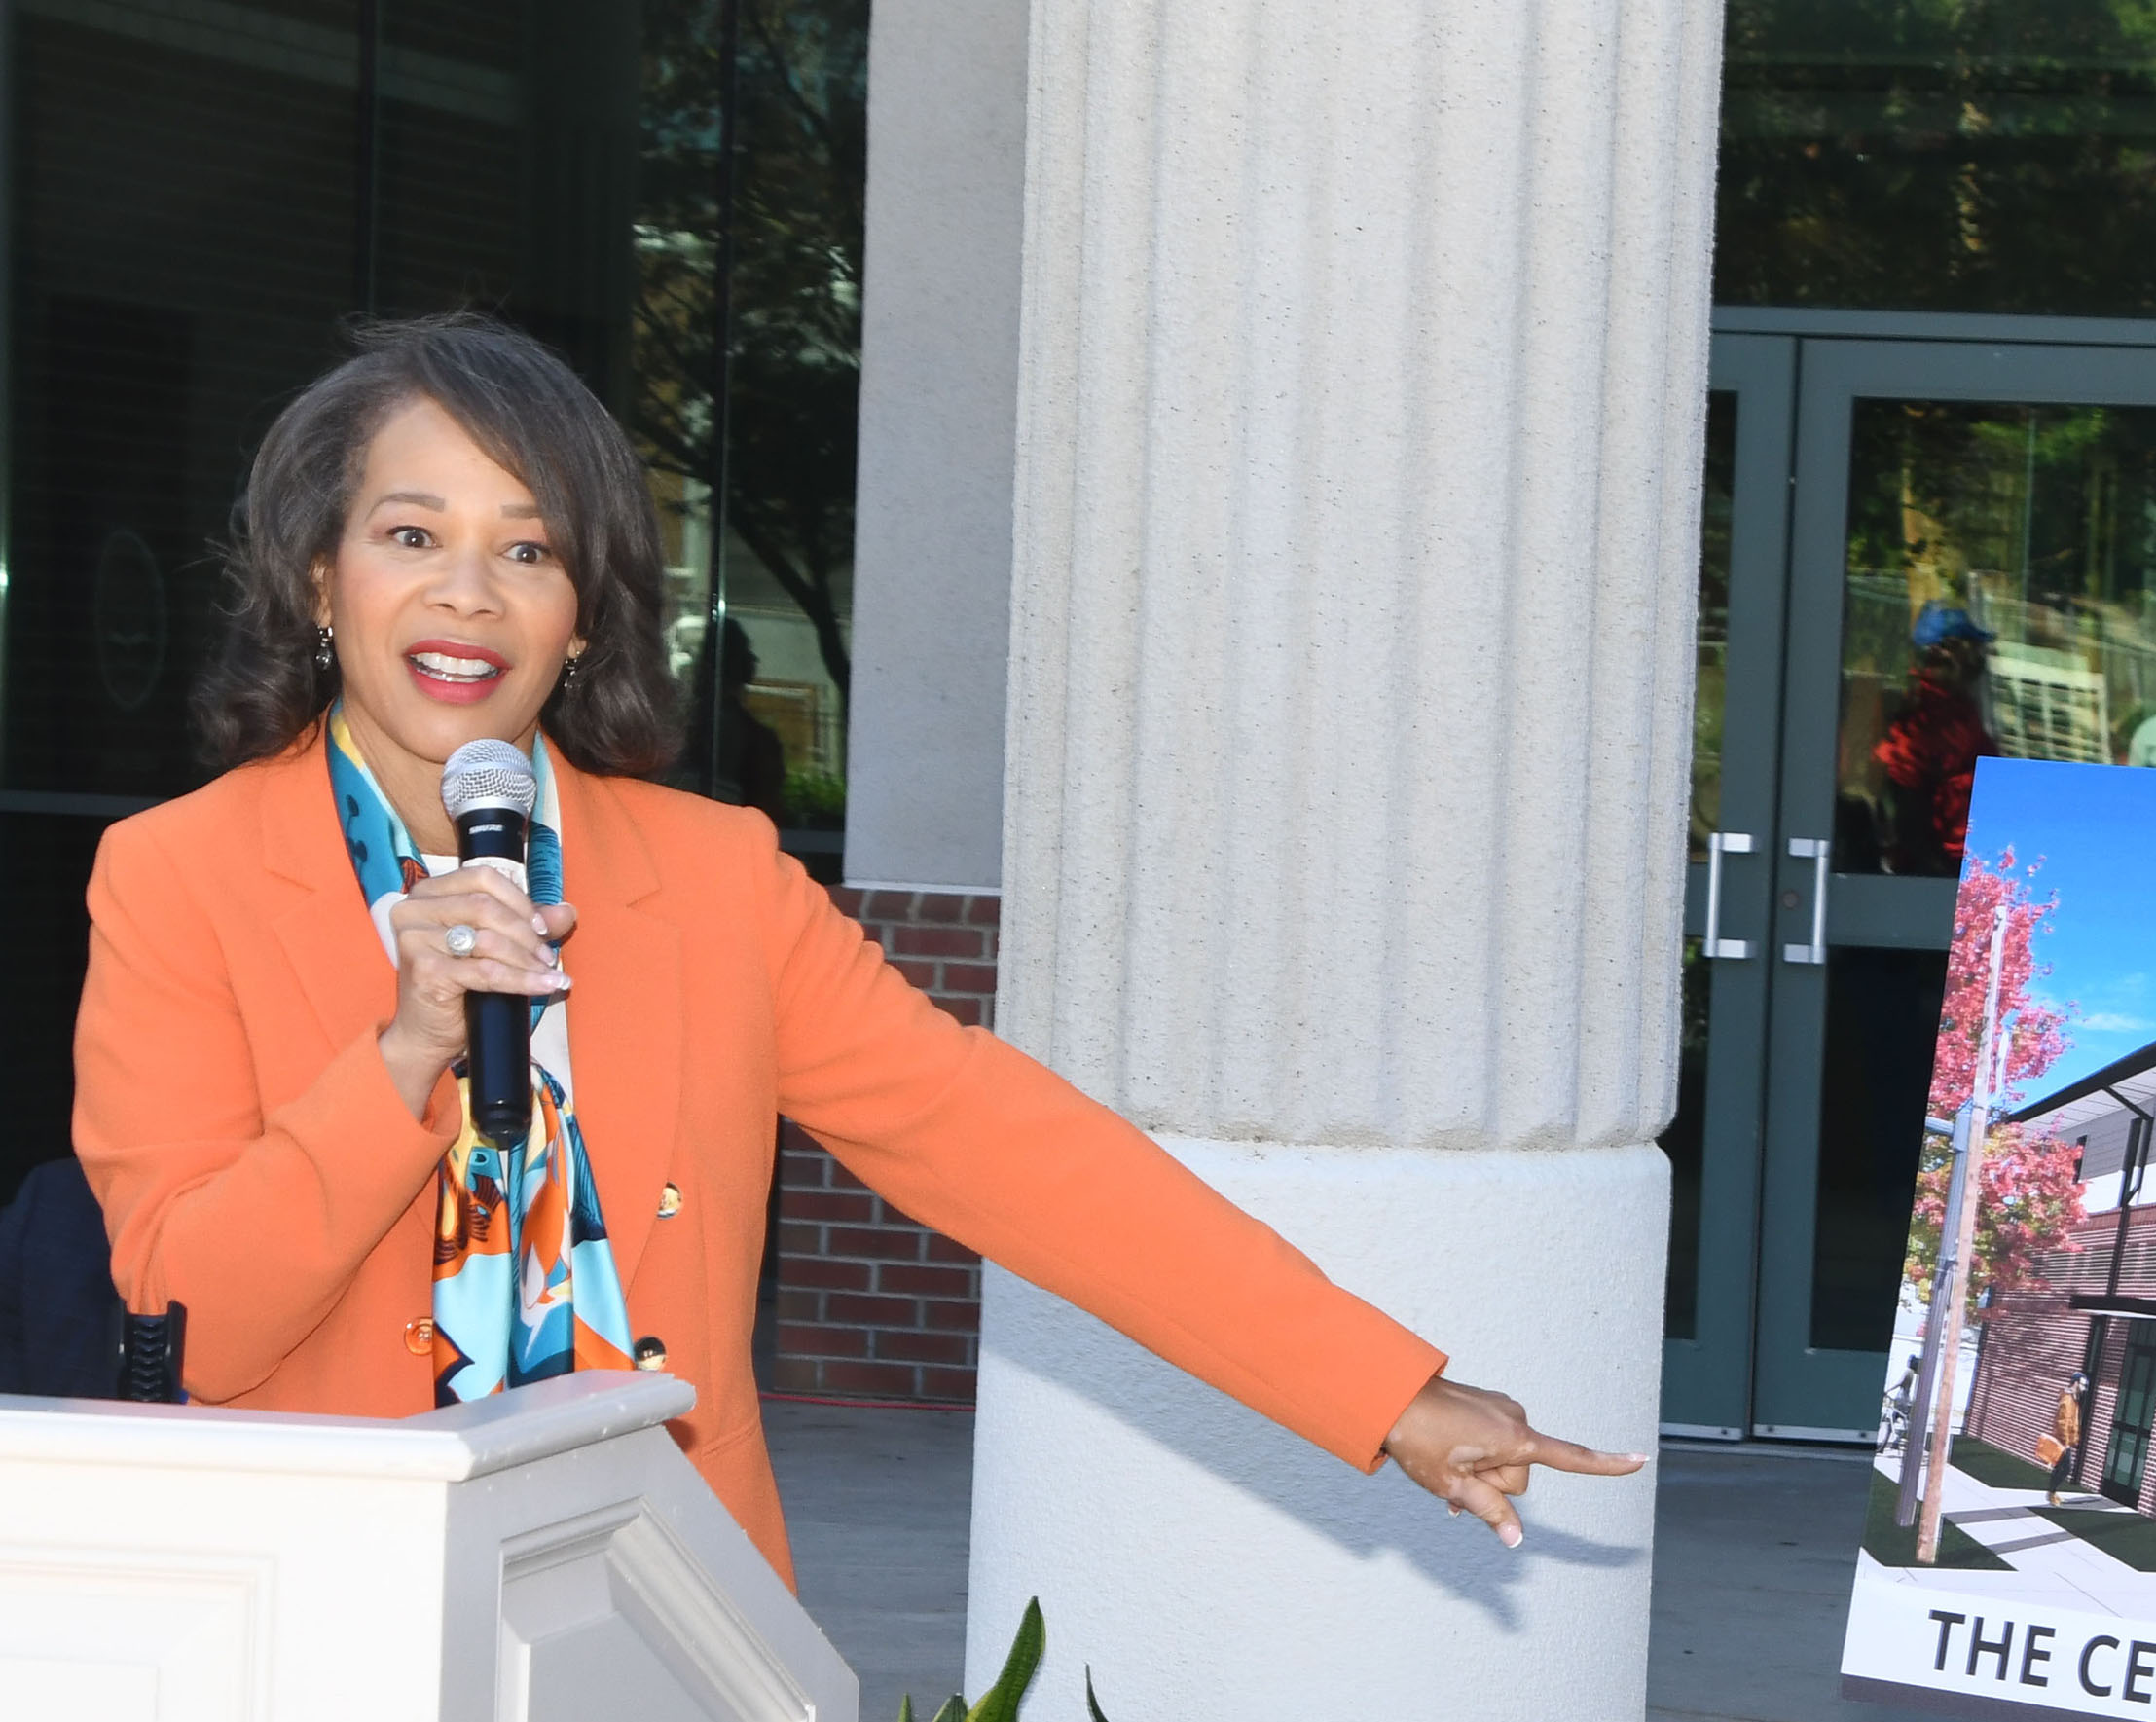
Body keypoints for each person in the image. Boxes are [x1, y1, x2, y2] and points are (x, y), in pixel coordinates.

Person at [69, 315, 1636, 1582]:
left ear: (587, 618)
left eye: (529, 551)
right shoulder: (177, 878)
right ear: (318, 579)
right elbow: (192, 1316)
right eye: (411, 531)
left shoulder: (715, 877)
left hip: (663, 1597)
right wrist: (408, 1049)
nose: (468, 591)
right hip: (327, 1597)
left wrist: (1385, 1394)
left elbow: (1010, 1150)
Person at [1874, 602, 1998, 872]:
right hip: (1947, 864)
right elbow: (1909, 809)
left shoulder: (1951, 709)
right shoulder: (1928, 720)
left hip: (1965, 855)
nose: (1978, 659)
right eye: (1970, 648)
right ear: (1945, 653)